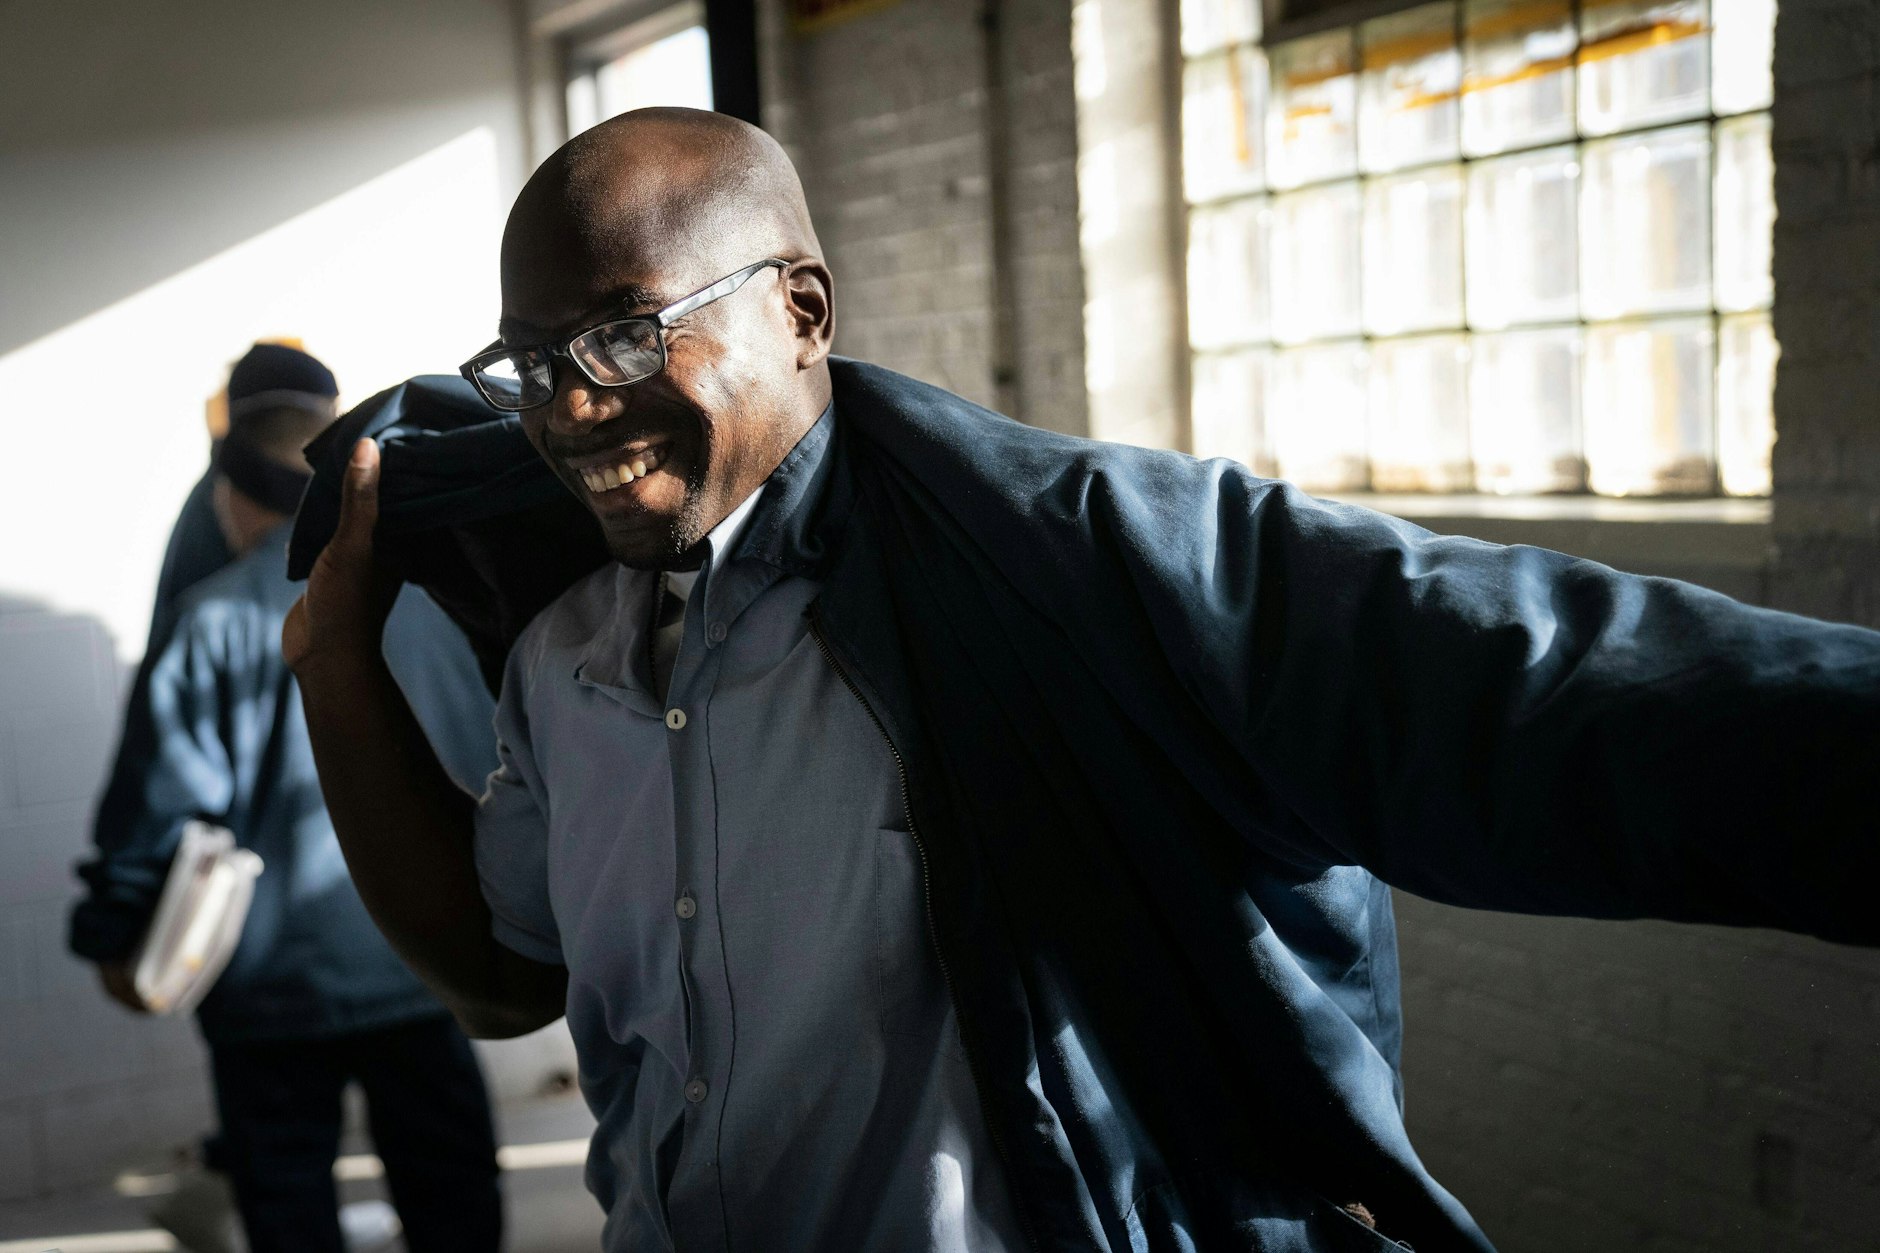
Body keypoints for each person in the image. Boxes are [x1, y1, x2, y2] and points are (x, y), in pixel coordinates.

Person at [284, 108, 1880, 1253]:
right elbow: (505, 978)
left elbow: (1533, 674)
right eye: (533, 360)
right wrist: (332, 665)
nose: (567, 408)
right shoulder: (566, 661)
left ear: (803, 313)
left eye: (627, 336)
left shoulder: (1066, 581)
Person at [70, 346, 504, 1253]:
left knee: (288, 1209)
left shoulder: (212, 619)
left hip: (271, 994)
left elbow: (163, 804)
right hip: (430, 959)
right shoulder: (433, 590)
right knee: (453, 1202)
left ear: (233, 492)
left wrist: (112, 930)